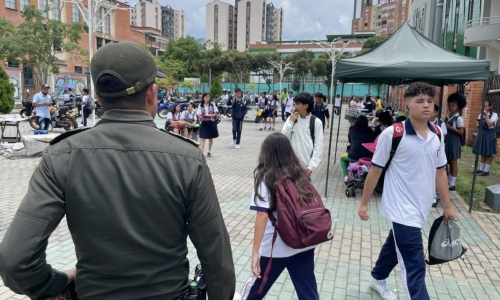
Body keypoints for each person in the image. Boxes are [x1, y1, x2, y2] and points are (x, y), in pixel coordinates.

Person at [0, 41, 235, 300]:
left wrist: (56, 283)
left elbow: (15, 262)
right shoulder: (188, 158)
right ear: (152, 93)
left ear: (98, 97)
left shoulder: (61, 156)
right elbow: (217, 260)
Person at [358, 82, 456, 300]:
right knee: (414, 263)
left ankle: (377, 277)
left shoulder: (437, 133)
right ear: (407, 105)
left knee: (396, 245)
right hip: (400, 208)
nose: (426, 105)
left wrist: (448, 206)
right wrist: (364, 202)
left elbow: (440, 172)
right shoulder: (394, 134)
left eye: (430, 101)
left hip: (422, 207)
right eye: (419, 101)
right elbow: (375, 170)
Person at [241, 133, 319, 300]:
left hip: (276, 248)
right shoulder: (300, 174)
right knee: (308, 292)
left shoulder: (265, 177)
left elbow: (262, 216)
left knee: (255, 289)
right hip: (304, 243)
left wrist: (255, 252)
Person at [281, 92, 324, 177]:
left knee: (303, 189)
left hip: (305, 167)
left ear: (306, 106)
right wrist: (290, 122)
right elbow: (283, 138)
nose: (294, 105)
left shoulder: (316, 122)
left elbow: (318, 146)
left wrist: (311, 166)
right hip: (289, 165)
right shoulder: (292, 118)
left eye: (297, 104)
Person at [340, 115, 376, 183]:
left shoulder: (352, 129)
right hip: (368, 156)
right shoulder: (370, 131)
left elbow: (350, 140)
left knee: (342, 158)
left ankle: (346, 175)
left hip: (354, 155)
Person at [444, 92, 467, 191]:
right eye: (449, 105)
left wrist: (450, 127)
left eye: (453, 105)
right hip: (447, 141)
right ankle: (447, 181)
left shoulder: (459, 118)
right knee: (447, 161)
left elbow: (461, 132)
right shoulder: (448, 116)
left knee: (453, 162)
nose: (450, 107)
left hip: (454, 141)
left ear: (458, 106)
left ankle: (452, 183)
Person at [472, 100, 498, 176]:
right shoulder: (480, 114)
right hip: (482, 133)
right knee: (482, 151)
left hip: (489, 134)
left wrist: (486, 115)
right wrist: (478, 124)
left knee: (489, 153)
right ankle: (481, 169)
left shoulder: (494, 115)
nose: (484, 107)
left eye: (485, 106)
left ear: (490, 107)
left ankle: (486, 170)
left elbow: (490, 124)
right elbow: (478, 125)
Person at [197, 92, 219, 157]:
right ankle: (201, 151)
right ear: (203, 98)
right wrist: (202, 117)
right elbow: (198, 114)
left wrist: (210, 115)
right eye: (206, 97)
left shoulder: (212, 104)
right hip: (204, 122)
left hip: (211, 122)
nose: (207, 98)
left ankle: (209, 151)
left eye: (208, 97)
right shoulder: (200, 105)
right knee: (202, 137)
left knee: (210, 137)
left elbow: (216, 113)